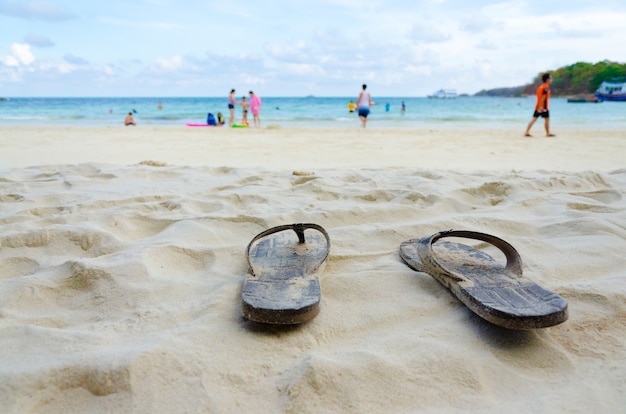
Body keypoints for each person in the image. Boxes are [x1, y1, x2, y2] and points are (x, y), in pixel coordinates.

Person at [525, 73, 555, 137]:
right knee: (546, 119)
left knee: (535, 118)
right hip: (543, 107)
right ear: (547, 79)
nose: (551, 80)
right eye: (550, 78)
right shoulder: (545, 87)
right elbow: (543, 97)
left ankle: (526, 131)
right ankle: (547, 133)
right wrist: (541, 106)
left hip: (538, 106)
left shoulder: (540, 87)